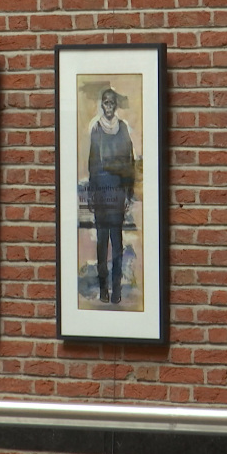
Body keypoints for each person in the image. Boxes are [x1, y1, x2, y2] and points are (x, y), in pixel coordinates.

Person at [88, 88, 135, 304]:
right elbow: (92, 164)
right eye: (105, 103)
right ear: (102, 105)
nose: (108, 107)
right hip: (100, 193)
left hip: (117, 193)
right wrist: (91, 193)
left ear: (115, 106)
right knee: (101, 243)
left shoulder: (123, 128)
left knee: (116, 243)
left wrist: (129, 192)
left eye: (112, 103)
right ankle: (103, 287)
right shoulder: (96, 129)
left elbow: (129, 162)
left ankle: (116, 289)